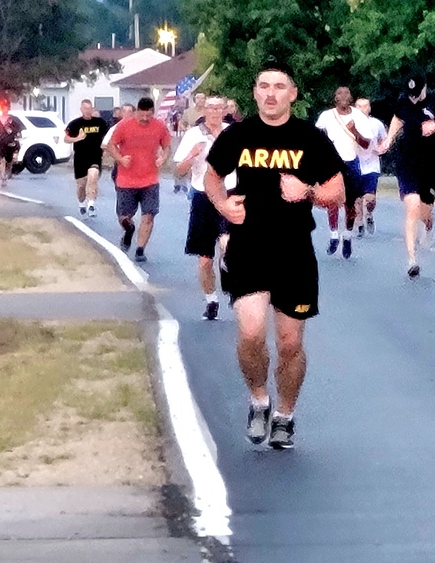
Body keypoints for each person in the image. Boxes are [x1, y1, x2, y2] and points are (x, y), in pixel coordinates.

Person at [204, 59, 345, 450]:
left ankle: (284, 414)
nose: (270, 93)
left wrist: (309, 192)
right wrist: (222, 205)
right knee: (250, 333)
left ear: (293, 94)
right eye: (264, 86)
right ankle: (258, 400)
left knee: (289, 344)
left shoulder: (310, 139)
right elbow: (211, 176)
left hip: (294, 251)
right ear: (254, 92)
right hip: (249, 245)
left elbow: (338, 192)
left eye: (279, 86)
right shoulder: (239, 135)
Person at [378, 72, 435, 277]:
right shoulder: (403, 102)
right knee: (412, 207)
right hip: (408, 161)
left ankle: (428, 225)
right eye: (410, 94)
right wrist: (389, 139)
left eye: (416, 93)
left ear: (424, 87)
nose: (413, 97)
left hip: (432, 163)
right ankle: (411, 259)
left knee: (424, 212)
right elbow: (397, 118)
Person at [175, 96, 233, 321]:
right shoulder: (193, 135)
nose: (215, 112)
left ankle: (230, 279)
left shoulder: (232, 134)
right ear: (204, 110)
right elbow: (179, 170)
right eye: (211, 108)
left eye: (219, 108)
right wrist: (192, 155)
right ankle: (211, 299)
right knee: (204, 259)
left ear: (225, 110)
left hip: (229, 193)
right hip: (202, 195)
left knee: (228, 244)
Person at [105, 97, 172, 263]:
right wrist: (120, 159)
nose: (145, 119)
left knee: (149, 215)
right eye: (142, 115)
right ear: (136, 112)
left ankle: (140, 249)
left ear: (152, 113)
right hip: (126, 179)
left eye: (148, 116)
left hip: (150, 179)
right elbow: (111, 145)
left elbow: (167, 147)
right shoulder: (124, 126)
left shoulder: (159, 126)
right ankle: (129, 231)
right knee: (124, 217)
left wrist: (163, 158)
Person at [314, 86, 371, 259]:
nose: (344, 96)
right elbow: (317, 137)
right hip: (331, 163)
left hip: (351, 162)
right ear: (335, 98)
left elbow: (366, 144)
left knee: (350, 203)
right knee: (332, 199)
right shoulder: (326, 116)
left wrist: (354, 130)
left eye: (347, 93)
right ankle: (333, 235)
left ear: (351, 97)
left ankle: (347, 235)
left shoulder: (358, 116)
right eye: (339, 93)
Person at [64, 99, 109, 217]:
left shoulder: (100, 123)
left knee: (93, 176)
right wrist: (77, 139)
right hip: (80, 157)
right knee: (81, 187)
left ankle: (91, 204)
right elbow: (66, 139)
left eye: (90, 108)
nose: (88, 111)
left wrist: (105, 149)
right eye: (85, 108)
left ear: (92, 109)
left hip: (95, 156)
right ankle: (82, 202)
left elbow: (107, 137)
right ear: (81, 109)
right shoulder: (75, 124)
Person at [353, 97, 387, 237]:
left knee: (370, 198)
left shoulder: (376, 124)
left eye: (365, 106)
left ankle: (369, 214)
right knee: (356, 197)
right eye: (359, 106)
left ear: (369, 108)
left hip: (372, 164)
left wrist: (380, 149)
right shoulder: (350, 123)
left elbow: (384, 140)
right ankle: (359, 222)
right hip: (354, 163)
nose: (362, 109)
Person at [102, 103, 134, 188]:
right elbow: (104, 144)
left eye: (129, 111)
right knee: (116, 177)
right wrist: (115, 152)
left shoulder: (140, 128)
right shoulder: (115, 128)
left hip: (136, 161)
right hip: (121, 160)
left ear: (133, 114)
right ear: (121, 113)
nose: (127, 114)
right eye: (124, 111)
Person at [0, 109, 22, 187]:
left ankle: (8, 172)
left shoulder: (12, 120)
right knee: (2, 160)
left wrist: (12, 130)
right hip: (0, 143)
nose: (4, 111)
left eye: (6, 109)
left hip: (10, 143)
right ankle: (3, 177)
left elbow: (18, 129)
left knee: (9, 161)